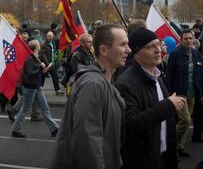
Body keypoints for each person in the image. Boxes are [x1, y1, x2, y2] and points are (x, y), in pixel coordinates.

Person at [50, 24, 129, 169]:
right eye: (123, 45)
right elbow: (87, 144)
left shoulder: (105, 84)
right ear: (104, 50)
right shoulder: (92, 85)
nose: (128, 50)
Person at [115, 28, 186, 169]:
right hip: (142, 162)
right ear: (136, 53)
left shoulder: (157, 77)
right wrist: (168, 105)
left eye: (158, 44)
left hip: (164, 159)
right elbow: (132, 124)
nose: (158, 49)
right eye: (150, 47)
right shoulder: (126, 83)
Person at [165, 29, 203, 158]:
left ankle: (179, 147)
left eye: (190, 38)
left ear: (193, 39)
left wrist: (202, 92)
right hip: (179, 93)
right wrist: (169, 92)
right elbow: (169, 75)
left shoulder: (196, 54)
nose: (188, 41)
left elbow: (200, 75)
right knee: (186, 120)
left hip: (192, 93)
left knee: (186, 122)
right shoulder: (175, 55)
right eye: (186, 39)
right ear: (181, 40)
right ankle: (169, 143)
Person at [11, 40, 59, 138]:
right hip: (29, 88)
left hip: (37, 86)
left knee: (45, 108)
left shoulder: (36, 58)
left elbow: (37, 72)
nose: (40, 46)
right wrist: (40, 68)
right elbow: (30, 73)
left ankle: (54, 128)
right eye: (38, 45)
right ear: (36, 47)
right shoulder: (30, 59)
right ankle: (15, 129)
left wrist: (44, 70)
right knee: (24, 109)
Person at [40, 31, 64, 96]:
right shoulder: (44, 45)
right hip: (46, 65)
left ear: (53, 37)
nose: (49, 38)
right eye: (48, 36)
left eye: (51, 36)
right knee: (42, 78)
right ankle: (39, 91)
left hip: (51, 64)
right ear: (46, 36)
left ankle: (57, 90)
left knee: (55, 76)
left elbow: (54, 53)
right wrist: (48, 64)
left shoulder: (53, 43)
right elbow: (43, 56)